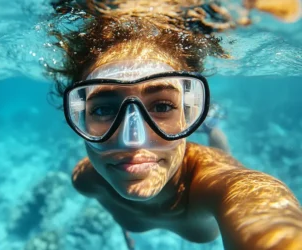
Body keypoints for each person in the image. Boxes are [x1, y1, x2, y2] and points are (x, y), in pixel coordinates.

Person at [46, 1, 302, 249]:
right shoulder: (86, 180)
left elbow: (261, 208)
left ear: (188, 112)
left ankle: (211, 126)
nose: (133, 140)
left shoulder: (220, 184)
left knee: (223, 153)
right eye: (103, 109)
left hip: (212, 160)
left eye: (162, 106)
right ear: (80, 117)